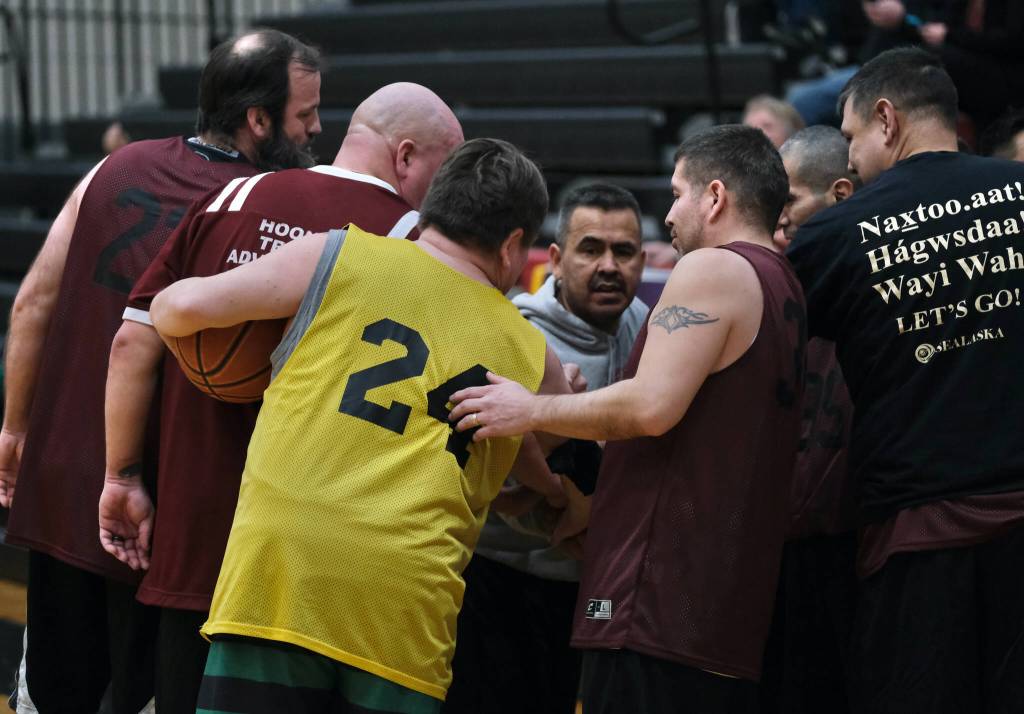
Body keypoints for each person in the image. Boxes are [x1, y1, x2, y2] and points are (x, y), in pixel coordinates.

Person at [147, 138, 586, 713]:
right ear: (512, 246)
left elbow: (176, 311)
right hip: (405, 598)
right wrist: (554, 483)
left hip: (281, 571)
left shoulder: (336, 254)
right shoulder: (530, 351)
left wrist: (188, 305)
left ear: (431, 207)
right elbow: (541, 450)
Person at [97, 81, 463, 712]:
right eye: (442, 170)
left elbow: (133, 343)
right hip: (310, 571)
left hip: (192, 530)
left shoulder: (234, 193)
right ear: (405, 157)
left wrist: (122, 474)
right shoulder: (410, 242)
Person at [0, 28, 321, 714]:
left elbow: (31, 303)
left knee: (52, 691)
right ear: (258, 121)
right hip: (168, 504)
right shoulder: (267, 211)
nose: (318, 128)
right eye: (305, 115)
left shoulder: (110, 169)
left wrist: (13, 430)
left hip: (66, 479)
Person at [449, 125, 807, 713]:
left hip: (658, 599)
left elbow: (648, 407)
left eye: (677, 193)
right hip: (723, 601)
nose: (668, 215)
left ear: (714, 197)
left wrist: (530, 409)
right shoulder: (783, 284)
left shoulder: (713, 268)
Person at [787, 47, 1024, 713]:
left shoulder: (834, 232)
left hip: (920, 540)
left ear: (886, 119)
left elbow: (763, 339)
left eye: (853, 138)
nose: (853, 160)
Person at [443, 183, 647, 714]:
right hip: (497, 578)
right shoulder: (515, 334)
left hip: (586, 587)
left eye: (623, 252)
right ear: (554, 259)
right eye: (590, 248)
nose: (609, 266)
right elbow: (495, 480)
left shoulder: (650, 328)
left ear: (643, 260)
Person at [760, 125, 859, 714]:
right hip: (770, 551)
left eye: (789, 198)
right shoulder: (763, 285)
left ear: (842, 196)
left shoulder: (876, 289)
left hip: (850, 548)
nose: (776, 218)